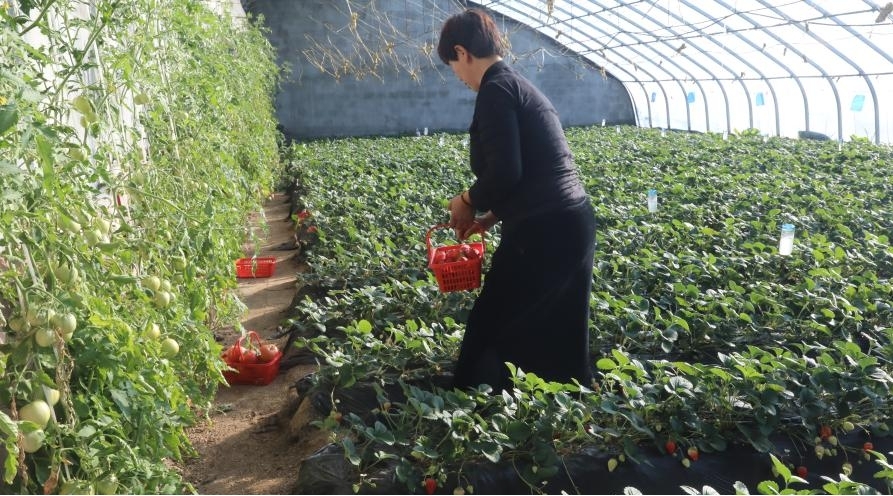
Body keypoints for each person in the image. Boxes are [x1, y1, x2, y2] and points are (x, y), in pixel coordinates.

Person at [437, 8, 596, 392]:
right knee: (557, 324)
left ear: (463, 52)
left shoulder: (495, 90)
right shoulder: (516, 85)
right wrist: (493, 217)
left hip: (546, 229)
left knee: (492, 319)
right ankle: (557, 402)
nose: (457, 77)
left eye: (452, 65)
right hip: (569, 221)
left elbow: (508, 171)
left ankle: (475, 398)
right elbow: (532, 167)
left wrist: (466, 199)